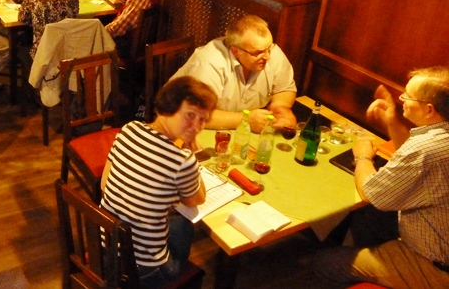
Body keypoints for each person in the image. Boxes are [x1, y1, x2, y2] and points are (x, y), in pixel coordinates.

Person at [313, 67, 449, 288]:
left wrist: (363, 157)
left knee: (325, 263)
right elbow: (416, 161)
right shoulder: (438, 137)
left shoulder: (427, 148)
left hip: (435, 266)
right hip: (433, 240)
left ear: (429, 110)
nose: (401, 98)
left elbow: (371, 193)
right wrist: (391, 121)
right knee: (368, 216)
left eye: (408, 96)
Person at [100, 76, 215, 287]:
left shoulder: (129, 129)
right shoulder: (183, 160)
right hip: (144, 271)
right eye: (190, 115)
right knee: (185, 225)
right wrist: (192, 155)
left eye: (202, 120)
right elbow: (196, 200)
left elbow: (104, 182)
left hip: (104, 249)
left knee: (170, 221)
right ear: (168, 108)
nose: (196, 127)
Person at [170, 15, 297, 132]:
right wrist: (245, 120)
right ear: (235, 52)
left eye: (269, 48)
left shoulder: (272, 53)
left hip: (233, 129)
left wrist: (281, 107)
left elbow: (285, 88)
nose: (267, 57)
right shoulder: (209, 63)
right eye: (257, 53)